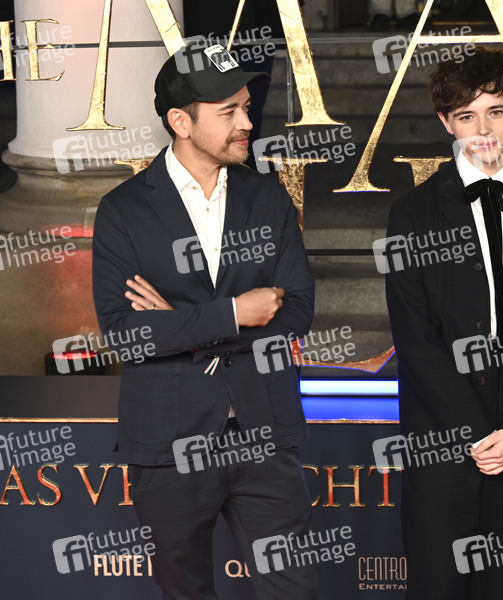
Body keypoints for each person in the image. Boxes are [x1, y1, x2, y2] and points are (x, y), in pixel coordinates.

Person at [92, 42, 317, 599]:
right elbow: (125, 334)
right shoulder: (123, 210)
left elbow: (295, 313)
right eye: (229, 112)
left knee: (294, 590)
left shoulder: (268, 200)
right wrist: (234, 314)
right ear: (180, 122)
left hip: (264, 435)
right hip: (169, 442)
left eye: (246, 107)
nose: (247, 123)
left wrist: (182, 325)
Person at [383, 47, 503, 600]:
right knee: (436, 587)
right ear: (447, 122)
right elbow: (413, 337)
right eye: (467, 116)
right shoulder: (412, 213)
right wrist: (476, 433)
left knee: (500, 589)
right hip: (441, 436)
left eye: (495, 111)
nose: (484, 129)